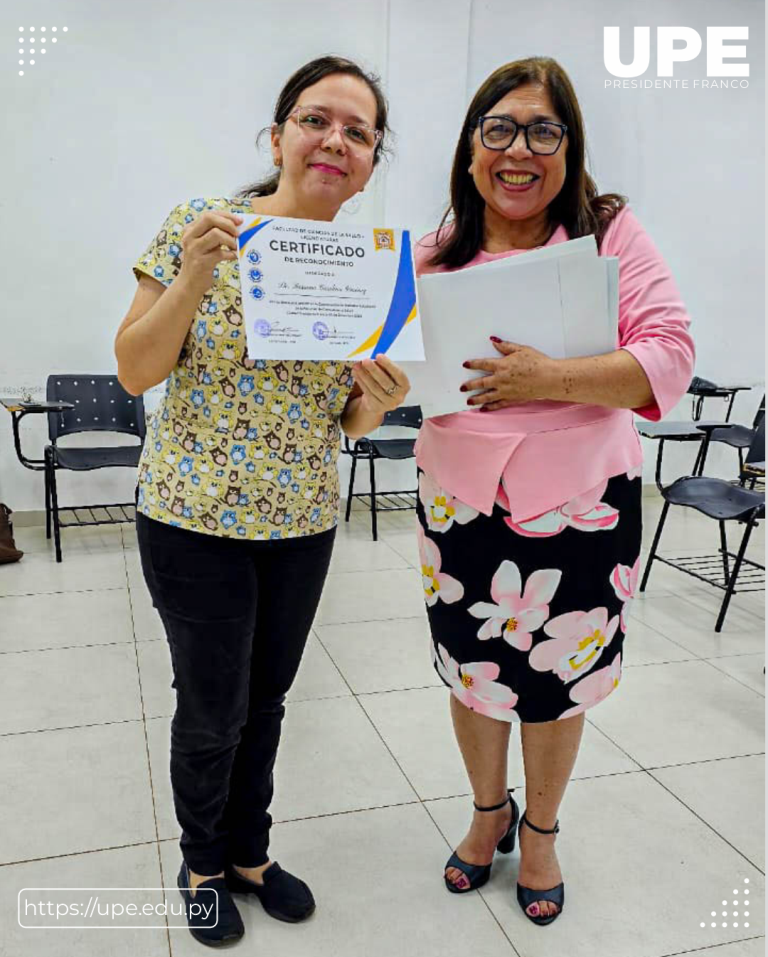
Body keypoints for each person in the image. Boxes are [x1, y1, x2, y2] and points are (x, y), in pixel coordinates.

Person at [115, 55, 410, 947]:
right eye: (318, 119)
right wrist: (200, 275)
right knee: (213, 705)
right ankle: (202, 861)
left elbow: (347, 417)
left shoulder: (370, 265)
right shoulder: (200, 227)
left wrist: (378, 400)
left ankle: (250, 851)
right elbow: (136, 368)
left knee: (269, 698)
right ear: (278, 135)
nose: (336, 140)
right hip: (193, 517)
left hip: (301, 522)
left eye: (358, 132)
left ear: (369, 162)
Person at [413, 57, 694, 926]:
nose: (518, 149)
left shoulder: (609, 232)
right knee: (475, 674)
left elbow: (670, 354)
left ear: (570, 149)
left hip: (582, 503)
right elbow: (383, 378)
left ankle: (539, 830)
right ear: (469, 152)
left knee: (558, 680)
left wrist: (550, 376)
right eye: (497, 129)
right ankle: (486, 809)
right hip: (459, 504)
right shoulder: (432, 253)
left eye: (542, 129)